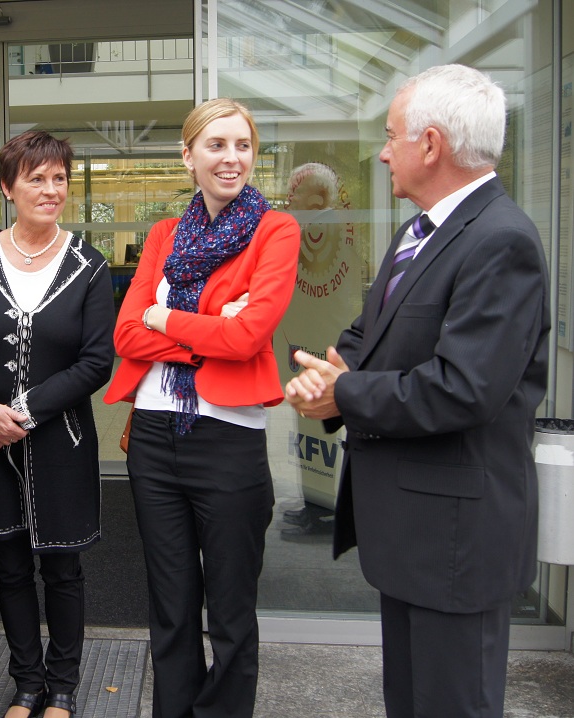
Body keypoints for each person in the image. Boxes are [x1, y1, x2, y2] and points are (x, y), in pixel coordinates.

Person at [285, 64, 549, 718]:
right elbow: (370, 330)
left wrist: (344, 396)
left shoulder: (501, 240)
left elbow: (464, 389)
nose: (382, 153)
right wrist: (331, 368)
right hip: (413, 537)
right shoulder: (421, 231)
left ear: (430, 145)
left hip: (456, 545)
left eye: (390, 135)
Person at [104, 99, 300, 717]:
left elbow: (249, 337)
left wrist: (165, 318)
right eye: (216, 145)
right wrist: (212, 327)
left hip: (228, 441)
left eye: (243, 145)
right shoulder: (163, 235)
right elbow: (125, 335)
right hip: (154, 437)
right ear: (188, 156)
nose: (231, 158)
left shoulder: (276, 231)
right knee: (171, 608)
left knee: (232, 615)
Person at [0, 130, 115, 718]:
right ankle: (26, 684)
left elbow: (96, 361)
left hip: (61, 441)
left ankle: (62, 688)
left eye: (59, 178)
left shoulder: (89, 265)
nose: (50, 189)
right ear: (7, 187)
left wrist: (27, 411)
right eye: (35, 178)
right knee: (8, 566)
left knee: (63, 568)